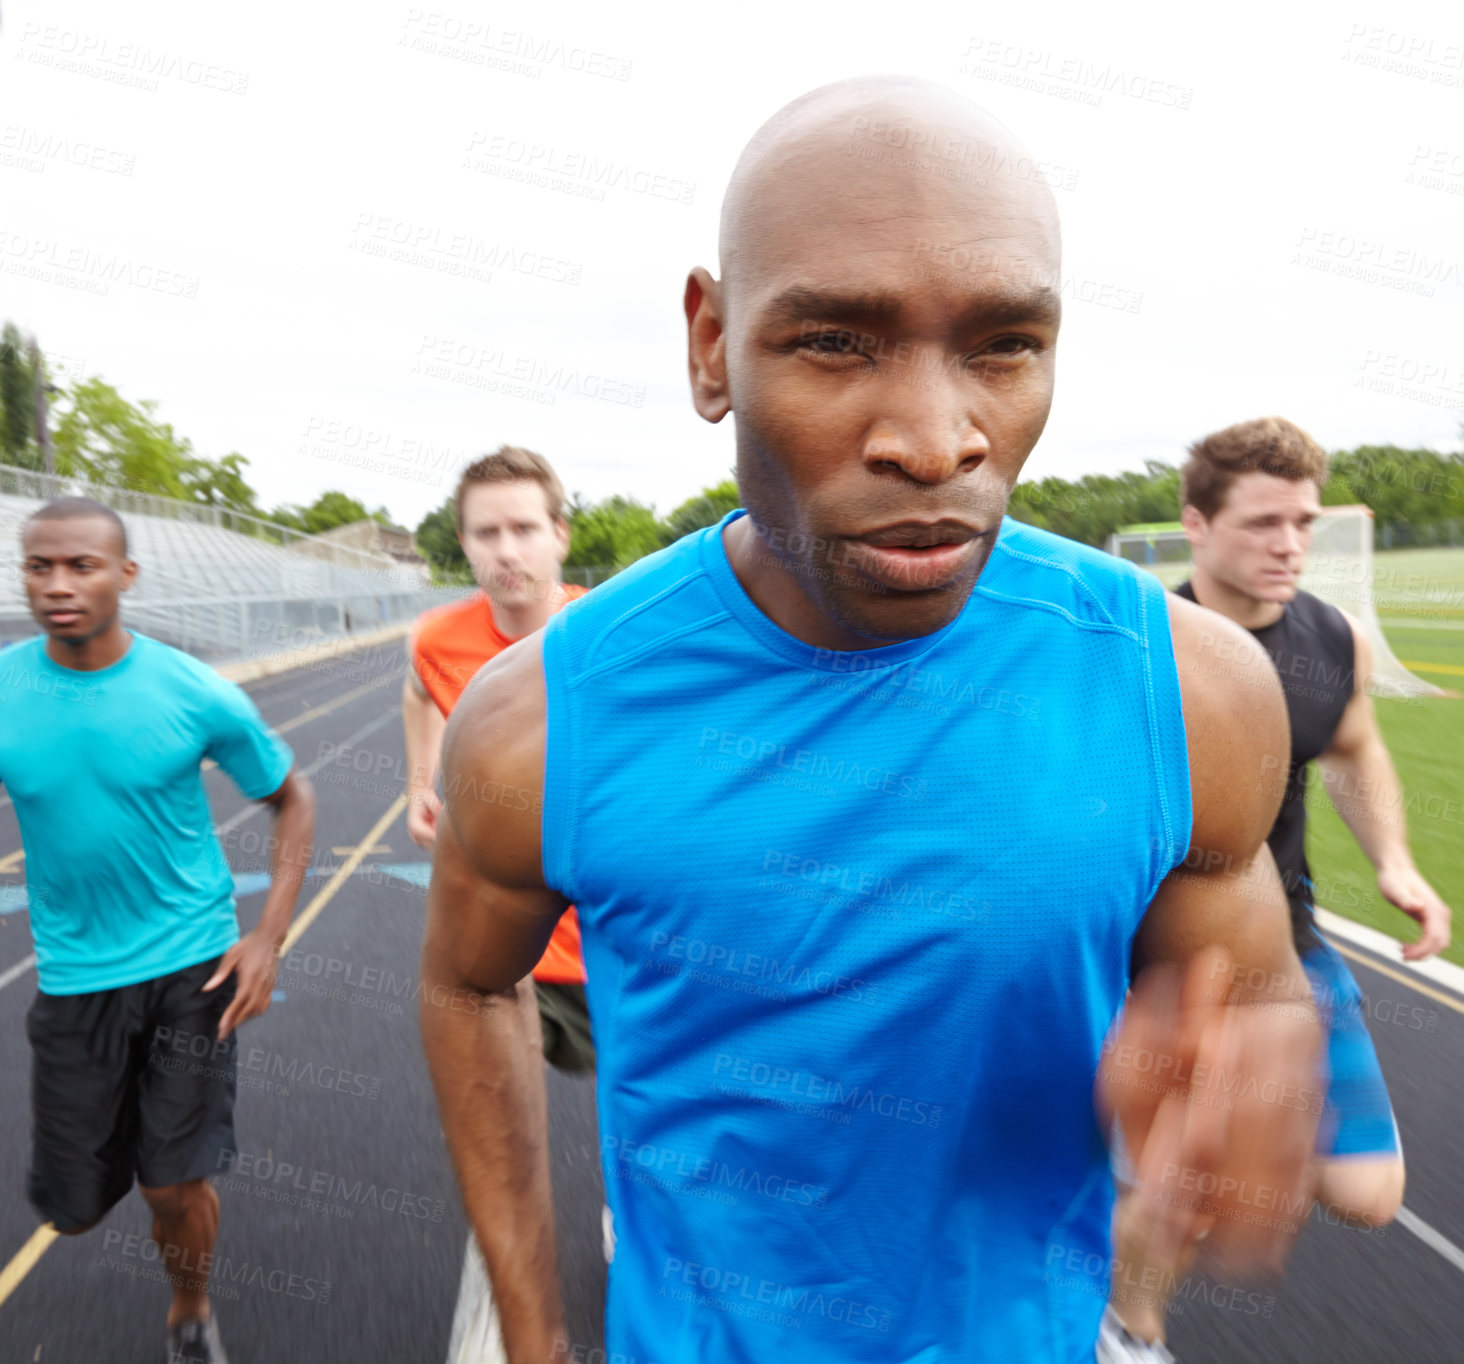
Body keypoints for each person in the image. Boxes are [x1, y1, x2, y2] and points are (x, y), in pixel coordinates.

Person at [419, 77, 1323, 1362]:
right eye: (838, 341)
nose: (938, 437)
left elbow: (1246, 1008)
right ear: (710, 345)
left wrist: (1244, 1090)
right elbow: (466, 982)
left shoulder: (1194, 694)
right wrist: (531, 1329)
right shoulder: (538, 725)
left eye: (1004, 344)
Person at [1100, 417, 1452, 1361]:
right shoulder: (1139, 656)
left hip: (1285, 945)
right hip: (1159, 965)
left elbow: (1354, 749)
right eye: (1263, 523)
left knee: (1368, 1199)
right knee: (1183, 1190)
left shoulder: (1332, 639)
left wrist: (1395, 863)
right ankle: (1127, 1333)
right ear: (1197, 526)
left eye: (1302, 521)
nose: (1291, 545)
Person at [0, 497, 316, 1364]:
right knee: (73, 1206)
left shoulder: (192, 691)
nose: (59, 585)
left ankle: (190, 1311)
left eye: (82, 566)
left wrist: (268, 937)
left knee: (172, 1183)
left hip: (192, 968)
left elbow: (293, 798)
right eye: (40, 567)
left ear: (125, 575)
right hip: (73, 977)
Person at [402, 446, 593, 1075]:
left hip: (608, 943)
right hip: (507, 942)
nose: (506, 551)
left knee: (656, 1131)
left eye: (525, 529)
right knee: (482, 1084)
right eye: (488, 533)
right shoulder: (437, 639)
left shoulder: (611, 636)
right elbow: (417, 687)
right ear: (464, 542)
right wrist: (420, 780)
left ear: (559, 535)